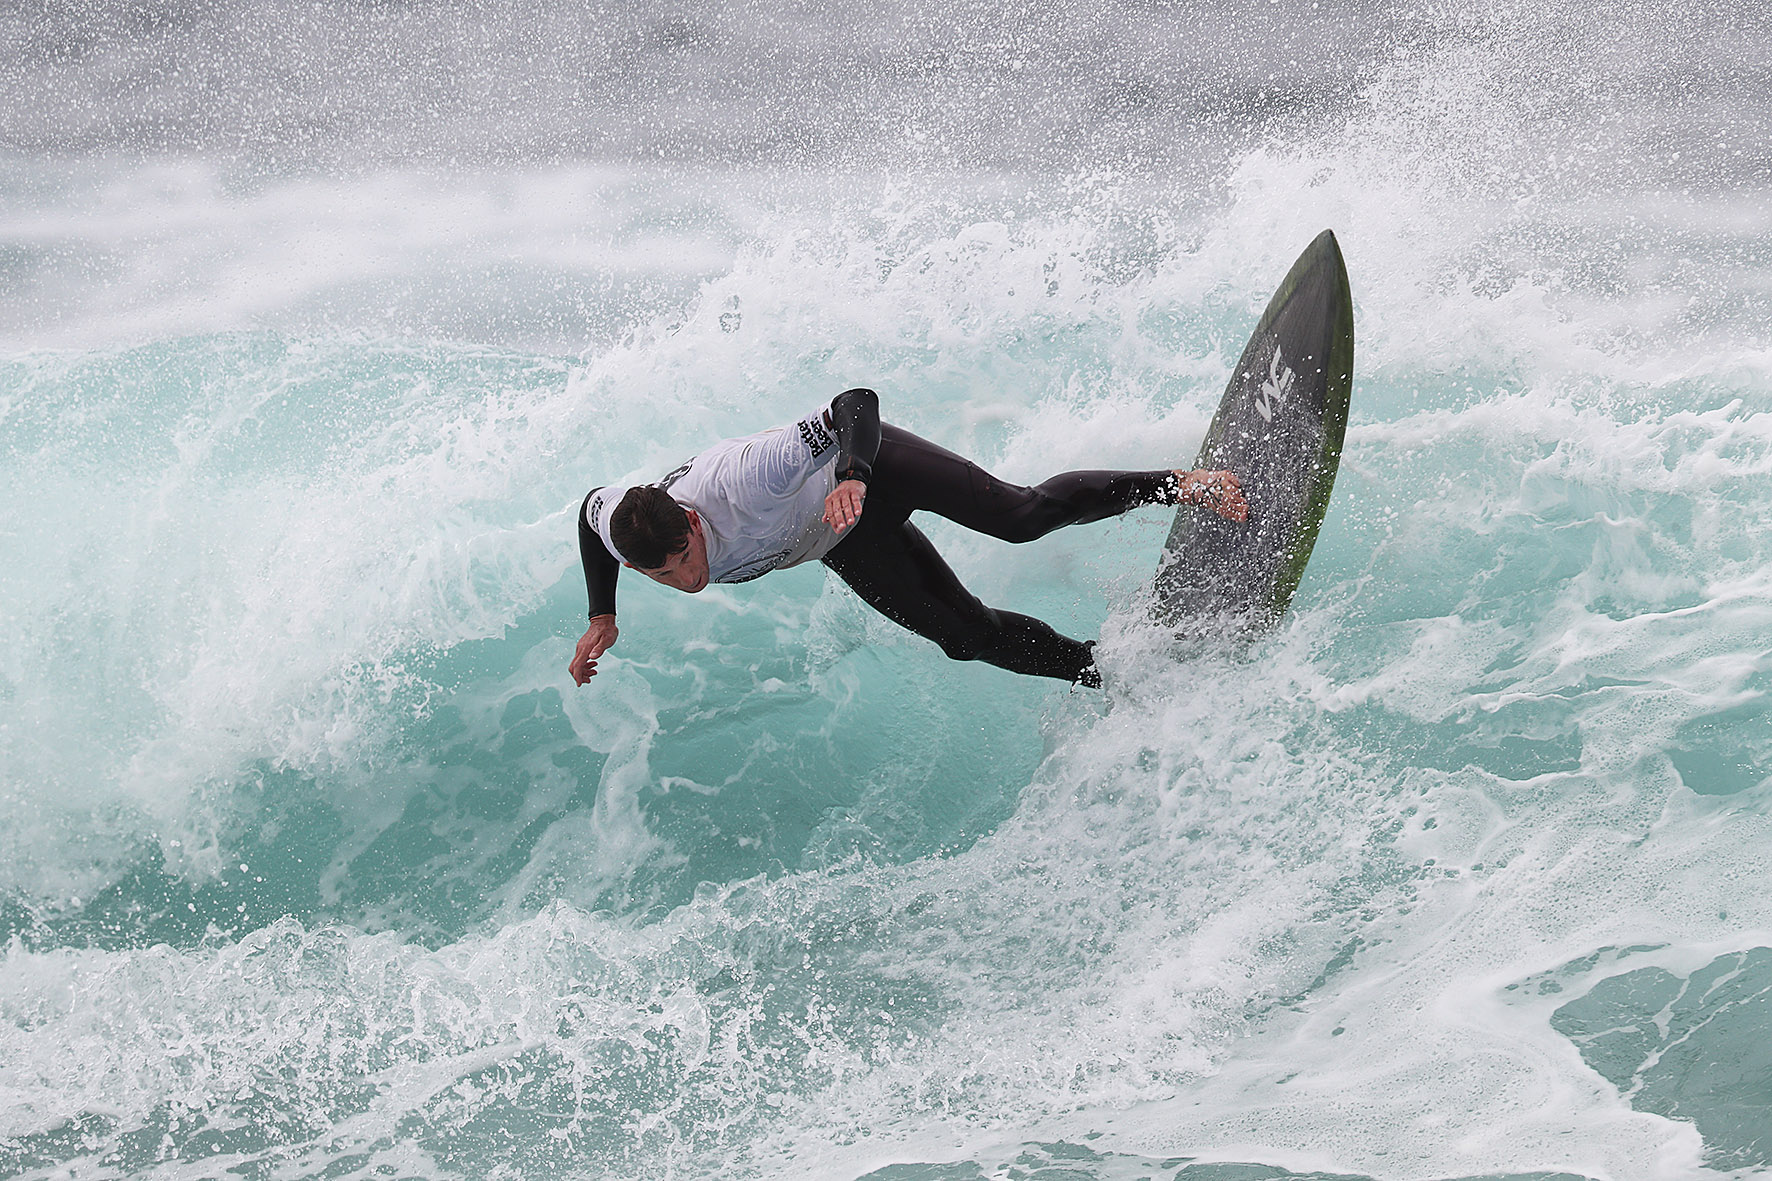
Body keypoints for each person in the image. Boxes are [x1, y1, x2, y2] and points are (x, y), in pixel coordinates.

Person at [569, 388, 1246, 688]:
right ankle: (1110, 671)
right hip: (838, 537)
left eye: (686, 560)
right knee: (966, 637)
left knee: (1020, 517)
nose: (686, 580)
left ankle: (1186, 484)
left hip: (868, 471)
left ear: (692, 522)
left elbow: (854, 403)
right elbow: (588, 516)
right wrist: (604, 614)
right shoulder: (626, 525)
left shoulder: (747, 479)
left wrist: (854, 475)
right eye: (661, 578)